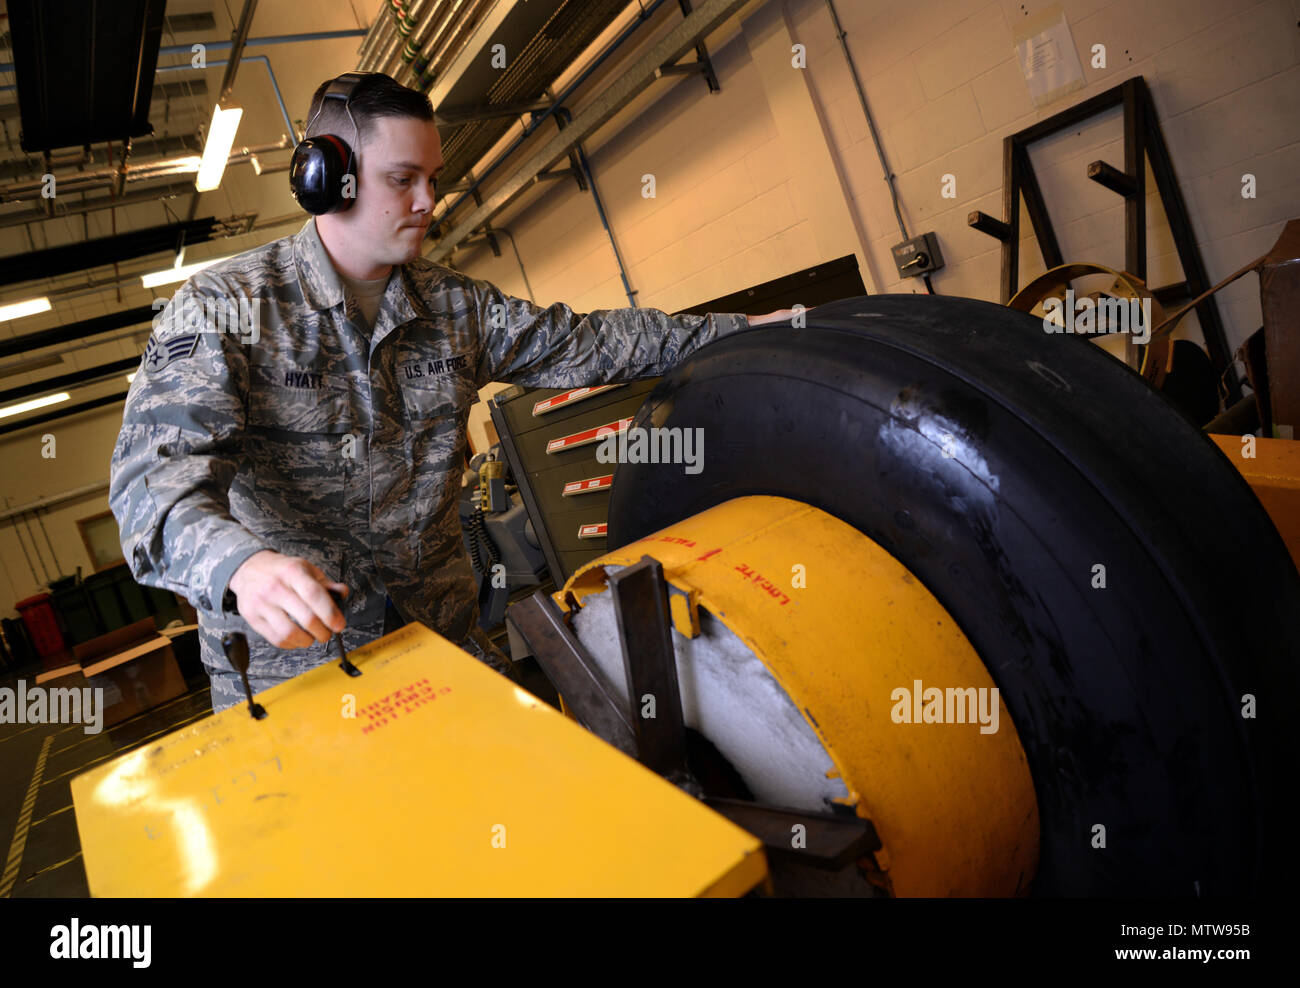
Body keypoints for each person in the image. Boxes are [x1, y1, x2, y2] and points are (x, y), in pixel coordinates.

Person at [110, 72, 794, 712]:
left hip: (443, 643)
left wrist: (748, 330)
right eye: (403, 179)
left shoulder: (454, 309)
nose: (427, 202)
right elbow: (152, 486)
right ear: (327, 180)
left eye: (431, 179)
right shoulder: (225, 310)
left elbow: (587, 343)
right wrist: (241, 566)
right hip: (299, 683)